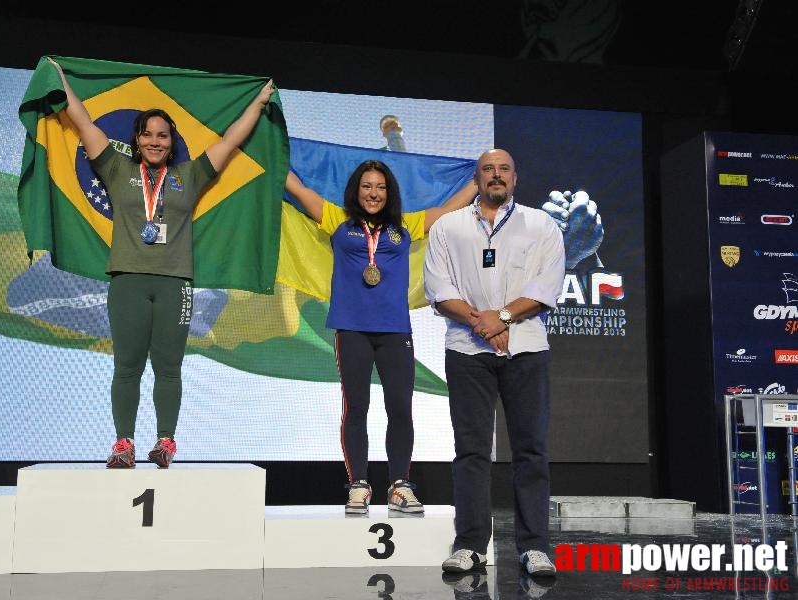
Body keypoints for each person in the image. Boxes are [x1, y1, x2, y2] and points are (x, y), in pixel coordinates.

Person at [47, 57, 275, 469]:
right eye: (148, 134)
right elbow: (82, 122)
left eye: (163, 135)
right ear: (136, 140)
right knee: (127, 365)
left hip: (175, 283)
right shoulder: (116, 169)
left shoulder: (189, 175)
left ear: (172, 142)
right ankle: (123, 444)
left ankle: (165, 443)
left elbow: (230, 141)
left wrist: (257, 104)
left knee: (169, 366)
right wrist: (59, 79)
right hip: (128, 281)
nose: (155, 141)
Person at [285, 162, 476, 514]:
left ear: (389, 193)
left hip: (394, 331)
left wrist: (479, 178)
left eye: (381, 187)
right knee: (356, 408)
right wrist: (269, 150)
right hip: (352, 329)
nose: (373, 193)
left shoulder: (405, 225)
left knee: (400, 409)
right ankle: (358, 484)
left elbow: (450, 210)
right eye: (367, 186)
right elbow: (297, 190)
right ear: (356, 191)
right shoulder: (336, 218)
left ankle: (399, 485)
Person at [423, 149, 565, 576]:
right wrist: (480, 322)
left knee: (531, 451)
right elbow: (437, 286)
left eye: (503, 169)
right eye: (488, 170)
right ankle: (470, 545)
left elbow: (546, 285)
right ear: (477, 178)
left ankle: (535, 547)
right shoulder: (449, 227)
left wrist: (502, 316)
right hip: (467, 352)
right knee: (470, 451)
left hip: (526, 350)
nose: (496, 176)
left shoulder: (541, 224)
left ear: (515, 178)